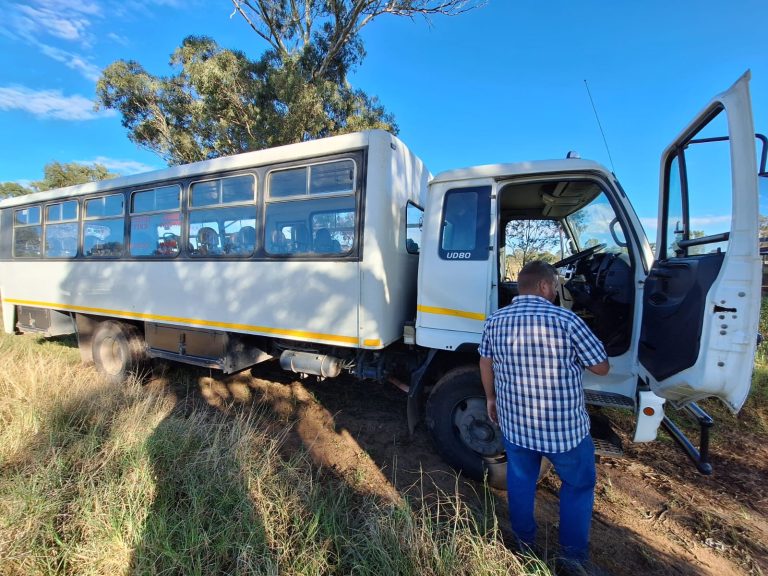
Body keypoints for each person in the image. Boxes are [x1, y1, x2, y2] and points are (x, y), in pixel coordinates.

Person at [478, 260, 609, 568]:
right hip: (564, 432)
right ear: (545, 286)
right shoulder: (567, 320)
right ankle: (572, 558)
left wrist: (490, 398)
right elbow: (601, 368)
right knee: (578, 486)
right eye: (555, 287)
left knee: (521, 482)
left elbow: (485, 362)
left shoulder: (495, 320)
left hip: (517, 426)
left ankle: (524, 545)